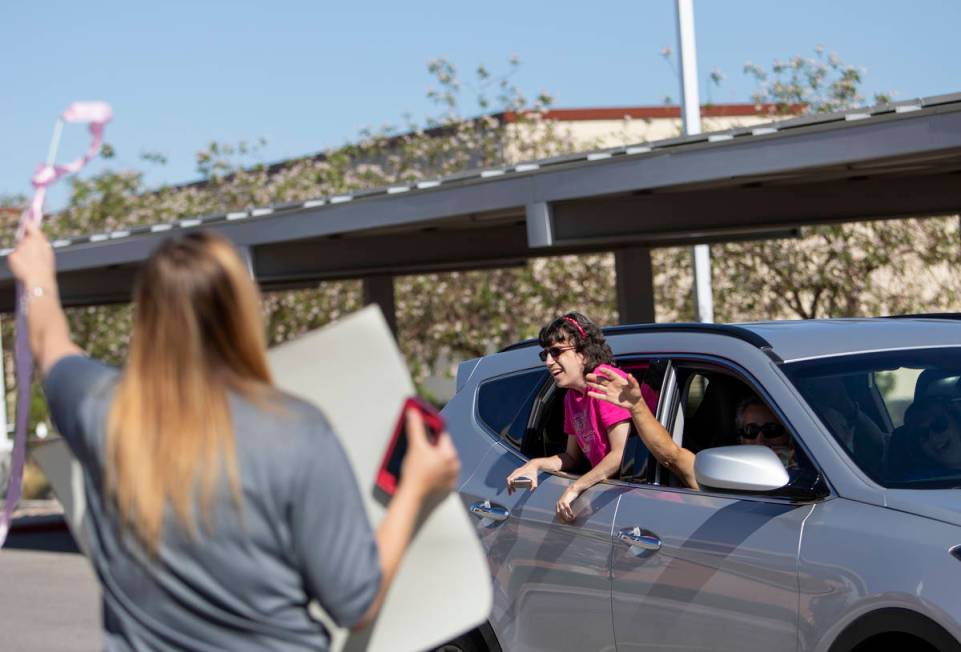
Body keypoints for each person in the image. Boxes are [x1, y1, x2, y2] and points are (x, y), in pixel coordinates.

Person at [8, 223, 460, 651]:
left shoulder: (100, 409)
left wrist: (38, 275)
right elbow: (356, 602)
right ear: (242, 312)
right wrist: (416, 487)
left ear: (146, 315)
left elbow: (49, 343)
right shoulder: (296, 432)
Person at [505, 312, 632, 522]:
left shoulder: (606, 383)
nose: (548, 361)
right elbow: (572, 458)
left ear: (583, 353)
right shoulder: (571, 397)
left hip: (629, 498)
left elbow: (619, 456)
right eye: (545, 354)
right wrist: (534, 465)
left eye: (556, 352)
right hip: (606, 498)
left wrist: (576, 488)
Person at [587, 372, 795, 488]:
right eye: (750, 430)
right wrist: (637, 406)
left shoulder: (816, 476)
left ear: (790, 436)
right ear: (740, 438)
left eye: (771, 430)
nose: (760, 439)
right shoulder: (722, 475)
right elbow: (672, 454)